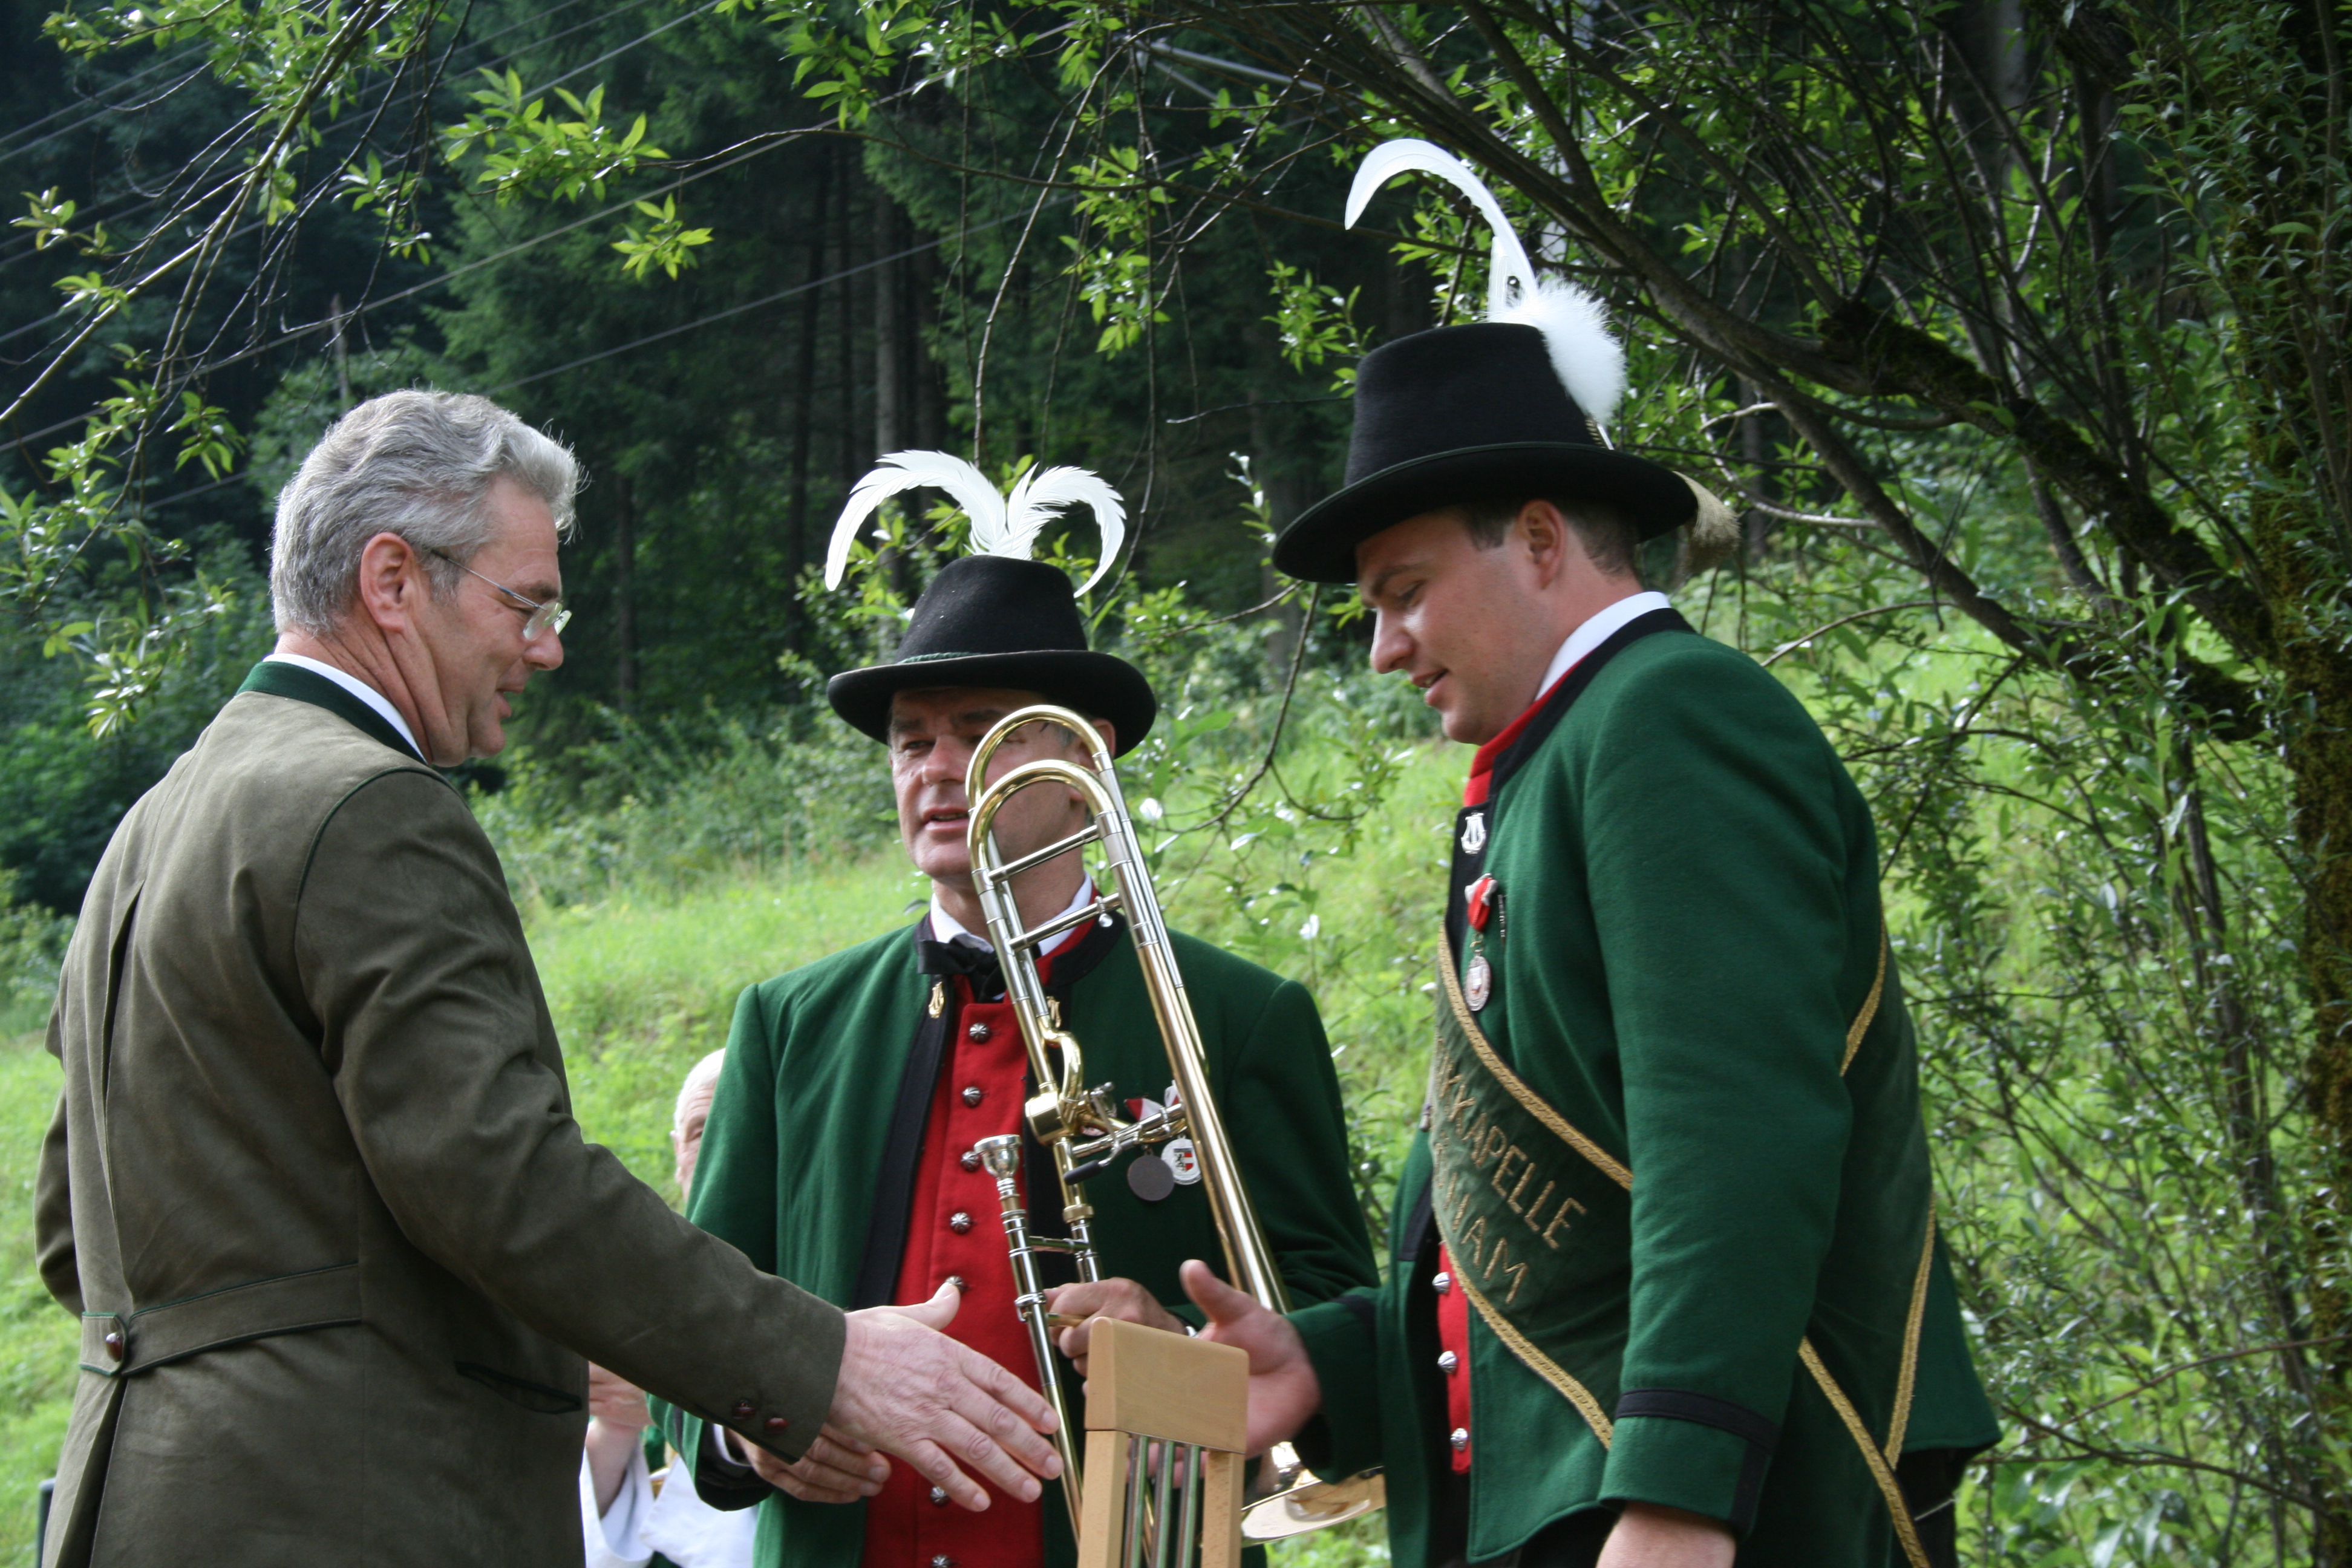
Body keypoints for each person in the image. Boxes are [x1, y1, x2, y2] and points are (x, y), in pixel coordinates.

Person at [33, 392, 1059, 1568]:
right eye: (524, 604)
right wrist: (825, 1361)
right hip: (349, 1514)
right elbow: (498, 1181)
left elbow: (73, 1231)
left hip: (139, 1506)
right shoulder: (369, 806)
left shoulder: (152, 828)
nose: (547, 646)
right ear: (393, 581)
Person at [1163, 146, 1999, 1568]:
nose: (1382, 649)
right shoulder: (1566, 756)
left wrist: (1676, 1496)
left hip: (1705, 1511)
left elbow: (1732, 1138)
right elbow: (1541, 1250)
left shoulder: (1668, 720)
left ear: (1542, 540)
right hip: (1583, 1501)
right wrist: (1333, 1363)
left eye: (1404, 593)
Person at [657, 454, 1379, 1568]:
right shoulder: (788, 1024)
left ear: (1086, 749)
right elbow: (687, 1323)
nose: (939, 767)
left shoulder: (1242, 1015)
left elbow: (1333, 1315)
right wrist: (751, 1428)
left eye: (983, 728)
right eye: (912, 739)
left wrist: (1181, 1348)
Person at [583, 1050, 758, 1568]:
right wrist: (616, 1424)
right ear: (677, 1150)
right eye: (702, 1131)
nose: (721, 1149)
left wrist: (673, 1397)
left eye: (742, 1127)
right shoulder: (626, 1283)